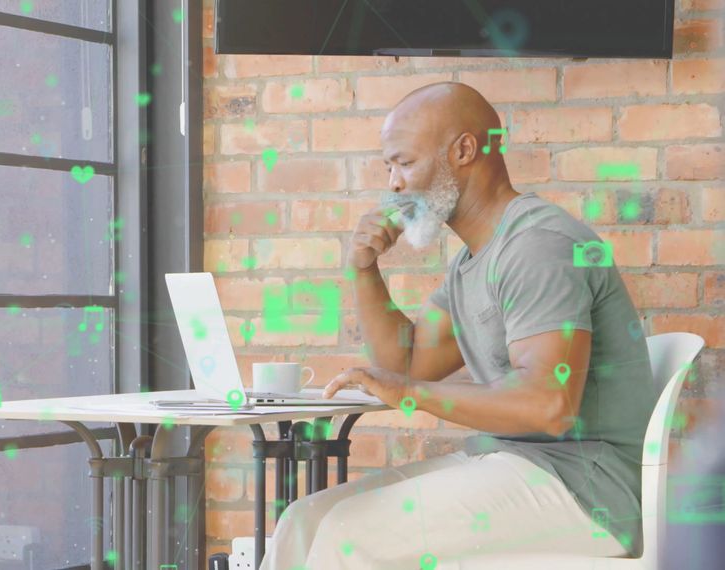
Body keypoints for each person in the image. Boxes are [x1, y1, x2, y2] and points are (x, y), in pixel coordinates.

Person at [260, 82, 655, 569]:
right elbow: (408, 362)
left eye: (404, 162)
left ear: (464, 150)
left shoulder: (537, 245)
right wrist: (364, 270)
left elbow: (548, 405)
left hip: (584, 491)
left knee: (346, 535)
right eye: (389, 167)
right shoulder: (471, 262)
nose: (394, 184)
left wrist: (405, 391)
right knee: (303, 521)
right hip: (512, 465)